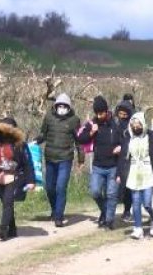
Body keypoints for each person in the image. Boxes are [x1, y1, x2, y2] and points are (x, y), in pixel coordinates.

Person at [0, 117, 36, 241]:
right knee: (6, 204)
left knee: (7, 202)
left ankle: (3, 229)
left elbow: (28, 163)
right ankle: (12, 228)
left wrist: (31, 180)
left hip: (14, 177)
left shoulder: (20, 145)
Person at [117, 112, 153, 239]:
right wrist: (119, 174)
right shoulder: (128, 139)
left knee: (148, 202)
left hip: (148, 171)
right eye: (133, 124)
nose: (136, 127)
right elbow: (122, 158)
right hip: (133, 172)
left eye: (138, 124)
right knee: (136, 202)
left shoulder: (151, 138)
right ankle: (138, 228)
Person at [76, 96, 122, 229]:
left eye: (101, 112)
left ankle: (109, 221)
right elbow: (80, 139)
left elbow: (124, 141)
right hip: (98, 166)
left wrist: (121, 148)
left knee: (111, 194)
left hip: (113, 165)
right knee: (95, 192)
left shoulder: (115, 125)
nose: (99, 115)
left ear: (106, 111)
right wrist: (91, 132)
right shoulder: (92, 124)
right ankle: (105, 211)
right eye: (97, 113)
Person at [37, 93, 82, 227]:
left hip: (65, 158)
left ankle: (59, 216)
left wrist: (81, 158)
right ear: (55, 106)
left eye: (64, 106)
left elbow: (79, 141)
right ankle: (54, 209)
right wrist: (34, 142)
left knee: (60, 187)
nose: (62, 108)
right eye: (59, 106)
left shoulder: (74, 120)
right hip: (50, 157)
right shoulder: (49, 118)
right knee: (50, 188)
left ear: (69, 107)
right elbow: (43, 134)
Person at [114, 98, 135, 221]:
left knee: (127, 187)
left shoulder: (131, 126)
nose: (122, 116)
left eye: (125, 114)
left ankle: (127, 210)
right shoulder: (114, 124)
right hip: (114, 159)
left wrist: (122, 147)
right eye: (120, 114)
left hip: (127, 159)